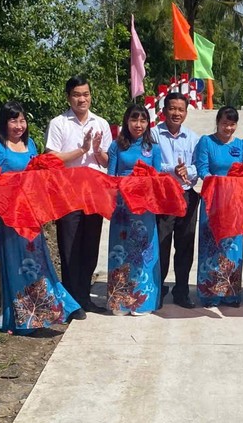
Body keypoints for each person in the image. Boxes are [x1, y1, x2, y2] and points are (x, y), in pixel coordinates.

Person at [0, 101, 82, 330]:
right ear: (4, 122)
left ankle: (48, 306)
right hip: (10, 215)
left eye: (22, 120)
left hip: (31, 211)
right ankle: (18, 315)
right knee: (14, 262)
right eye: (13, 120)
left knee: (38, 259)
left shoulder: (29, 145)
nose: (19, 125)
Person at [44, 76, 112, 314]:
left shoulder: (101, 123)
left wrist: (95, 151)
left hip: (94, 193)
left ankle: (85, 297)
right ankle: (71, 301)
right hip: (68, 193)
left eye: (85, 94)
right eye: (76, 95)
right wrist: (81, 150)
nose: (82, 99)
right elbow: (51, 158)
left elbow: (107, 160)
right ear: (68, 97)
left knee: (90, 245)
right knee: (70, 246)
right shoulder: (59, 123)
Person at [106, 104, 163, 315]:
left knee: (143, 251)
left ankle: (143, 301)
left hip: (145, 208)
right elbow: (111, 178)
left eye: (142, 121)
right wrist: (127, 182)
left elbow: (156, 180)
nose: (138, 125)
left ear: (148, 123)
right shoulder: (116, 146)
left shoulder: (154, 148)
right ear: (126, 121)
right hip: (122, 208)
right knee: (120, 252)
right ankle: (120, 300)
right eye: (134, 120)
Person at [194, 106, 243, 307]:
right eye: (225, 123)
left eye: (232, 124)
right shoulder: (206, 142)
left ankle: (231, 293)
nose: (228, 127)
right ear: (217, 122)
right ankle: (209, 293)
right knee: (212, 246)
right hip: (213, 201)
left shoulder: (242, 145)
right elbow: (202, 169)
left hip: (235, 203)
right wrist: (219, 183)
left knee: (232, 247)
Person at [153, 92, 199, 309]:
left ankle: (181, 290)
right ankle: (158, 288)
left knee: (185, 244)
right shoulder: (153, 135)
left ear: (186, 113)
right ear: (164, 111)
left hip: (187, 195)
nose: (176, 113)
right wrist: (172, 169)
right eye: (172, 108)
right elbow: (151, 163)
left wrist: (186, 170)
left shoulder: (193, 137)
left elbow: (199, 167)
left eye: (181, 109)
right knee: (162, 243)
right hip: (163, 196)